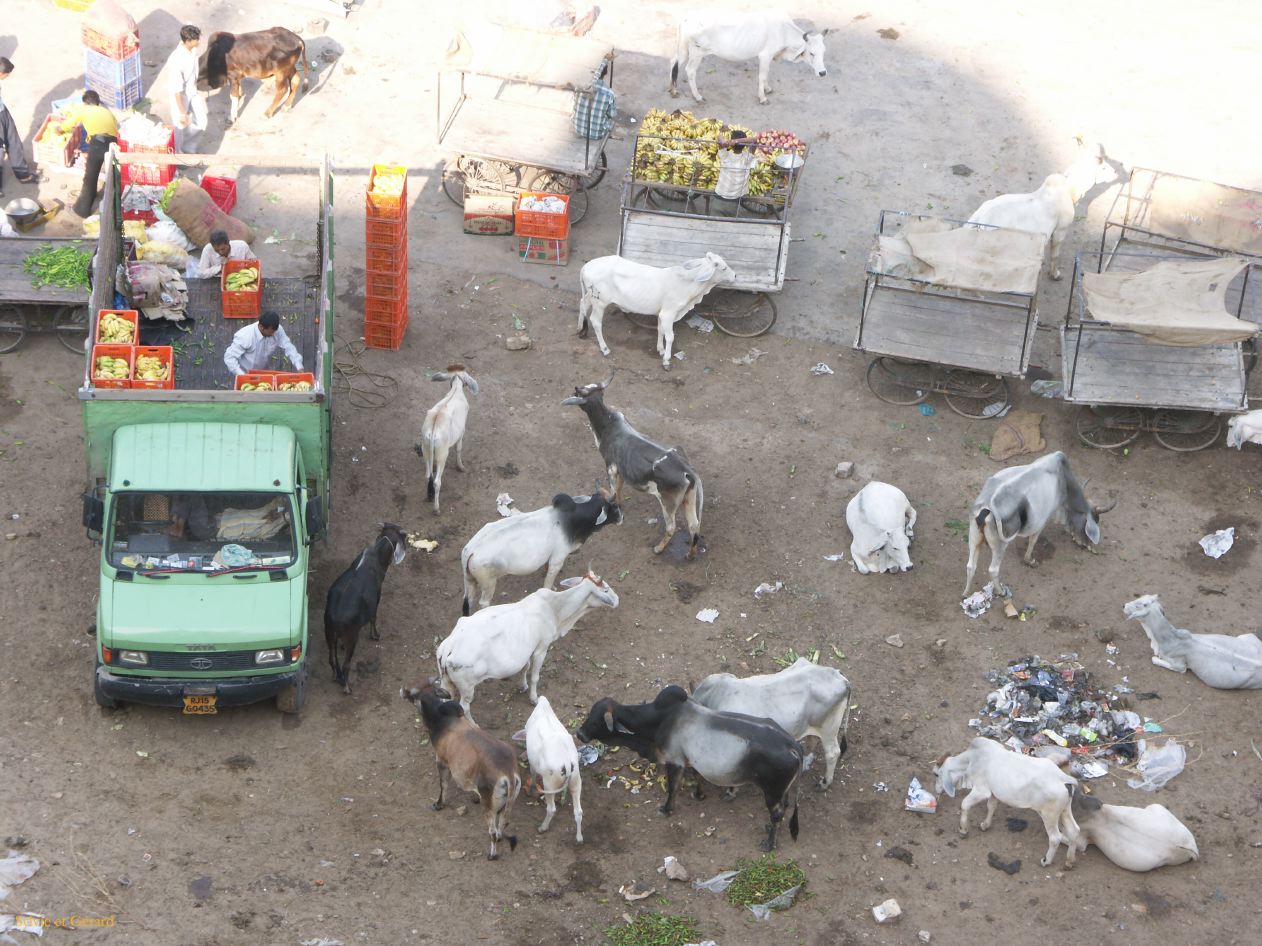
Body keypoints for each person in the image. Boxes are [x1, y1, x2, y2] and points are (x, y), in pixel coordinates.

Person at [58, 91, 119, 217]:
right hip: (113, 144)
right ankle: (109, 202)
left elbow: (68, 124)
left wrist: (59, 129)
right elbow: (115, 126)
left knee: (90, 176)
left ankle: (82, 210)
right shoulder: (107, 111)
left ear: (85, 103)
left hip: (98, 143)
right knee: (112, 175)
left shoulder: (83, 110)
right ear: (98, 102)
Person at [224, 311, 304, 376]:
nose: (273, 334)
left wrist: (299, 365)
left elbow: (288, 346)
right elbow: (229, 358)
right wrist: (242, 375)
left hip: (263, 371)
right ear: (261, 327)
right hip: (245, 372)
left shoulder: (277, 330)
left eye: (274, 331)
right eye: (270, 332)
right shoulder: (245, 336)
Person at [0, 58, 38, 193]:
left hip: (2, 111)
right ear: (1, 73)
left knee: (14, 141)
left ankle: (22, 174)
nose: (7, 77)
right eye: (7, 74)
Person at [167, 25, 207, 153]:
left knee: (202, 121)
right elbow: (177, 91)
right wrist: (183, 113)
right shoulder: (176, 60)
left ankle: (188, 147)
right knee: (179, 127)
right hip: (180, 96)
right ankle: (178, 154)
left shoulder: (192, 50)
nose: (199, 42)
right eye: (196, 39)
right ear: (188, 41)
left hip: (192, 92)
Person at [190, 229, 255, 279]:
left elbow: (253, 261)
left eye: (223, 249)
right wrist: (220, 268)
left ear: (228, 243)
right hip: (217, 279)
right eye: (216, 250)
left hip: (240, 277)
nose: (220, 252)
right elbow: (201, 273)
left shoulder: (242, 246)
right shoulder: (208, 249)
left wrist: (251, 262)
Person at [714, 130, 758, 203]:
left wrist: (725, 142)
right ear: (745, 145)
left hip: (719, 195)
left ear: (732, 145)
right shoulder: (747, 158)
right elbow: (755, 140)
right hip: (735, 199)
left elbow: (719, 136)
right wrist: (738, 141)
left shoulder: (725, 156)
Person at [572, 69, 615, 140]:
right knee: (611, 121)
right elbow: (612, 114)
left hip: (578, 129)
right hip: (597, 134)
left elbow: (574, 105)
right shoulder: (609, 93)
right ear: (605, 73)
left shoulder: (580, 86)